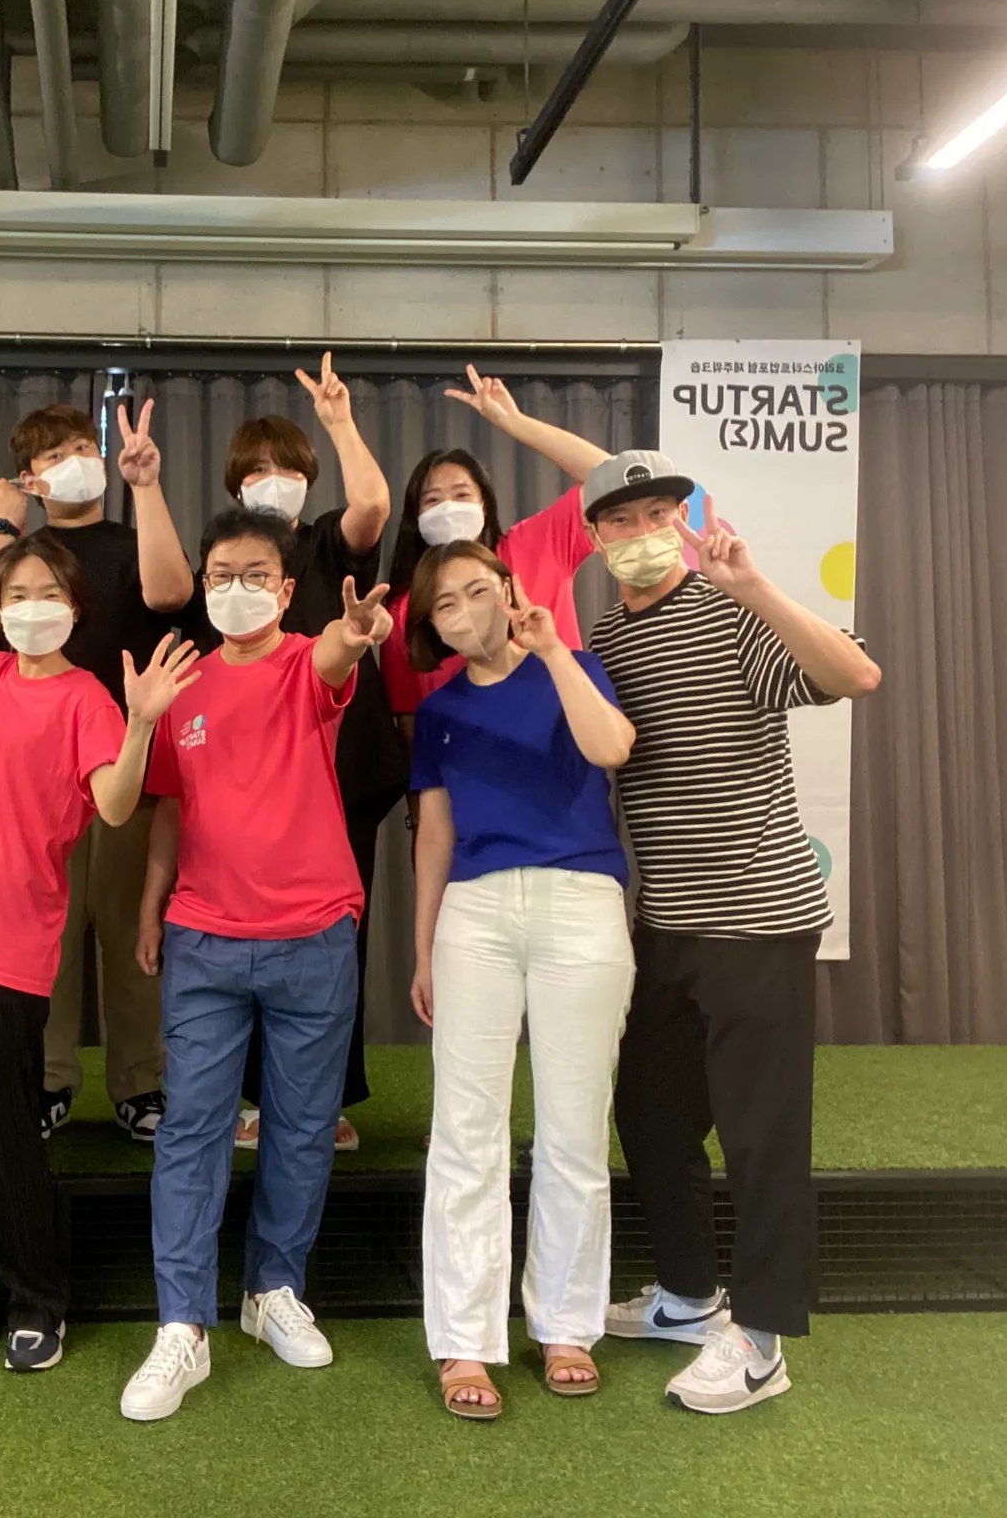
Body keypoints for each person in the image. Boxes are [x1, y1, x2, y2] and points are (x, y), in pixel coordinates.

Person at [583, 451, 881, 1415]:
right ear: (595, 540)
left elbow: (857, 674)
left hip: (758, 918)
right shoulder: (601, 638)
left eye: (657, 514)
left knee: (761, 1137)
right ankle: (687, 1295)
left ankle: (761, 1338)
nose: (640, 534)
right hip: (665, 924)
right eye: (620, 521)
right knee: (651, 1113)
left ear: (684, 520)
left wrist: (755, 587)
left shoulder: (735, 612)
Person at [0, 527, 199, 1374]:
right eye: (16, 595)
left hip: (9, 941)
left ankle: (36, 1296)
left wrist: (141, 724)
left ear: (75, 609)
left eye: (48, 595)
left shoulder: (87, 699)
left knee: (1, 1129)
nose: (31, 609)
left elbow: (116, 804)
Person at [120, 506, 392, 1423]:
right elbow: (166, 806)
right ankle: (182, 1324)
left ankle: (274, 1289)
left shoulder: (307, 661)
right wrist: (151, 906)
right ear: (202, 585)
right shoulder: (181, 684)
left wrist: (356, 634)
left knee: (303, 1126)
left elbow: (337, 658)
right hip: (203, 936)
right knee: (192, 1129)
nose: (236, 590)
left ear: (284, 588)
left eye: (255, 576)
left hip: (314, 934)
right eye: (221, 576)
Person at [405, 542, 636, 1419]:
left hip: (581, 902)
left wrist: (551, 653)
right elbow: (434, 834)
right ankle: (464, 1340)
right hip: (476, 912)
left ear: (509, 591)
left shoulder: (576, 667)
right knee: (466, 1132)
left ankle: (566, 1324)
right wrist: (422, 950)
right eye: (447, 604)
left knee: (574, 1126)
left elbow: (612, 747)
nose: (468, 610)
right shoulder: (440, 711)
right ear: (434, 627)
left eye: (480, 590)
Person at [0, 402, 193, 1145]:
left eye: (85, 447)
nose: (77, 461)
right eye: (56, 455)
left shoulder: (136, 537)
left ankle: (140, 1083)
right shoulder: (25, 553)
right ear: (31, 476)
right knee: (47, 941)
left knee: (133, 938)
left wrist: (146, 486)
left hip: (128, 770)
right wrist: (3, 523)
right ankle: (50, 1078)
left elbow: (172, 594)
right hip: (36, 785)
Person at [218, 354, 396, 1155]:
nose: (274, 482)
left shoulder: (327, 543)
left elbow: (373, 505)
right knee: (255, 942)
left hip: (342, 777)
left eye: (288, 469)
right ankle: (258, 1099)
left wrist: (338, 422)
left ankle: (325, 1103)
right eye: (257, 471)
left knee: (334, 945)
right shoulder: (227, 557)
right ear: (235, 488)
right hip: (254, 783)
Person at [377, 366, 609, 726]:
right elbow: (410, 719)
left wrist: (515, 423)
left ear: (484, 504)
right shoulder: (406, 608)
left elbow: (610, 479)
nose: (448, 507)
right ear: (416, 517)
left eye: (461, 495)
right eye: (432, 500)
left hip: (566, 740)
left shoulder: (535, 544)